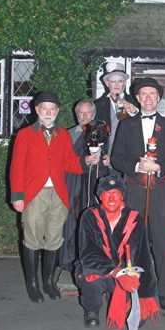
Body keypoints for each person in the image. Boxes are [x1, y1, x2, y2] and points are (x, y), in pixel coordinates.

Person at [10, 91, 87, 303]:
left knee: (54, 239)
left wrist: (87, 161)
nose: (48, 113)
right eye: (44, 109)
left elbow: (70, 162)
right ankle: (32, 284)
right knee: (32, 239)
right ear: (37, 110)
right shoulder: (25, 135)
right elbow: (16, 167)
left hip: (58, 195)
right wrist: (17, 196)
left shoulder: (62, 134)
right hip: (34, 194)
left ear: (57, 111)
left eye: (52, 109)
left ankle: (48, 282)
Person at [111, 77, 165, 310]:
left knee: (161, 242)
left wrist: (159, 168)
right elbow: (116, 158)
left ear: (158, 98)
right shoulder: (126, 125)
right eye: (144, 94)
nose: (149, 98)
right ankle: (137, 288)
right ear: (138, 98)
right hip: (134, 191)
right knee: (134, 242)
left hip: (160, 193)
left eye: (153, 94)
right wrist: (137, 166)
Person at [75, 174, 159, 330]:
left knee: (138, 319)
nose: (111, 197)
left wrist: (145, 292)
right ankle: (91, 309)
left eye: (116, 193)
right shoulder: (89, 217)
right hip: (102, 271)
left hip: (126, 274)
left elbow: (143, 255)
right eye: (107, 193)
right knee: (89, 276)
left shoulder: (134, 219)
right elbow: (88, 254)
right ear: (100, 197)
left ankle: (118, 297)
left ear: (122, 196)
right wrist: (116, 272)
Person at [60, 99, 110, 271]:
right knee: (71, 221)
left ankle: (95, 259)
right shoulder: (67, 134)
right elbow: (62, 161)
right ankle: (69, 260)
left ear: (94, 114)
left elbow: (111, 156)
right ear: (76, 114)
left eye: (88, 113)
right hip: (73, 182)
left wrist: (106, 159)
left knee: (94, 221)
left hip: (94, 182)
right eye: (81, 113)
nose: (84, 116)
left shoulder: (103, 132)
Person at [94, 62, 138, 155]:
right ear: (107, 83)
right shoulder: (97, 105)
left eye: (120, 81)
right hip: (105, 157)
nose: (116, 84)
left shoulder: (136, 103)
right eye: (113, 81)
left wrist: (133, 111)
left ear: (125, 83)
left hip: (129, 156)